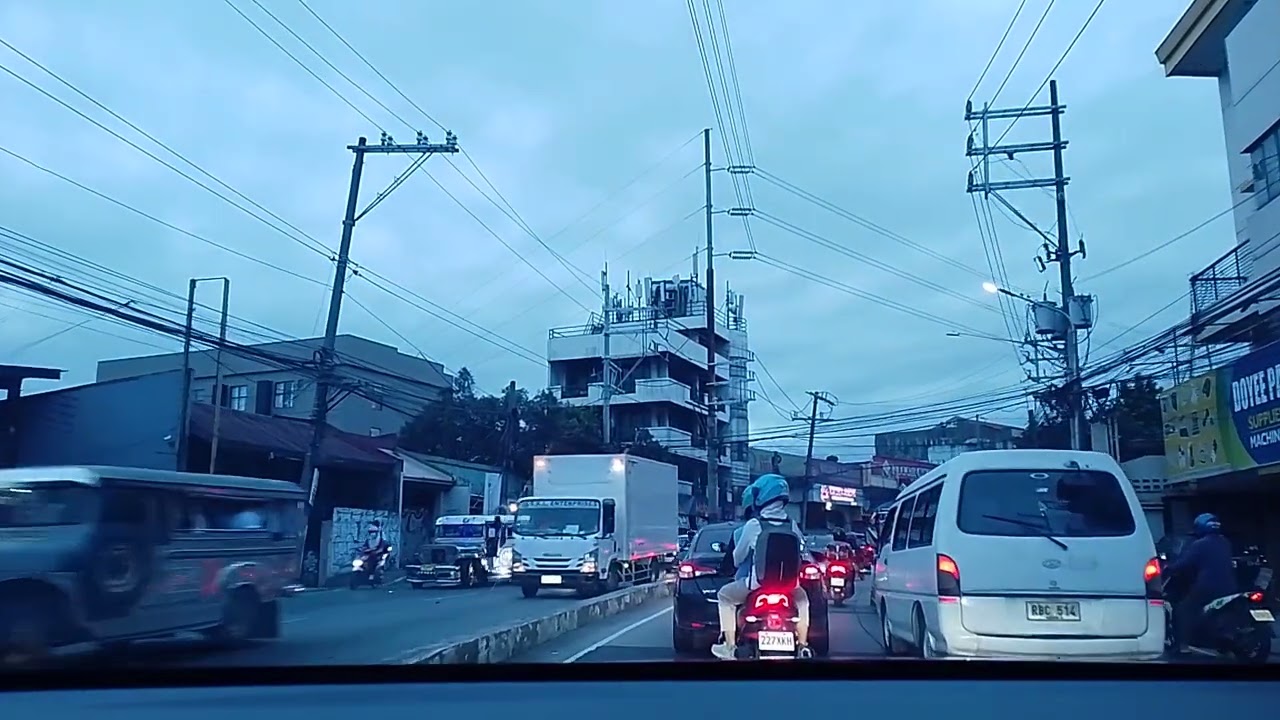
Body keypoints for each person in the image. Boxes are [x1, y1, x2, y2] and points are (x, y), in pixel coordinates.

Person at [711, 473, 811, 660]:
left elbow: (737, 558)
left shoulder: (754, 525)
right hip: (790, 586)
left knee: (724, 596)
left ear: (761, 497)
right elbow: (804, 554)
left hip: (757, 584)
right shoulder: (792, 525)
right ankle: (803, 645)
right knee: (803, 602)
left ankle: (729, 647)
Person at [1163, 512, 1237, 654]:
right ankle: (1224, 635)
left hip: (1207, 586)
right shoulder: (1226, 542)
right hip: (1230, 587)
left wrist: (1168, 568)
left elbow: (1184, 563)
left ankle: (1183, 644)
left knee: (1184, 609)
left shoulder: (1200, 544)